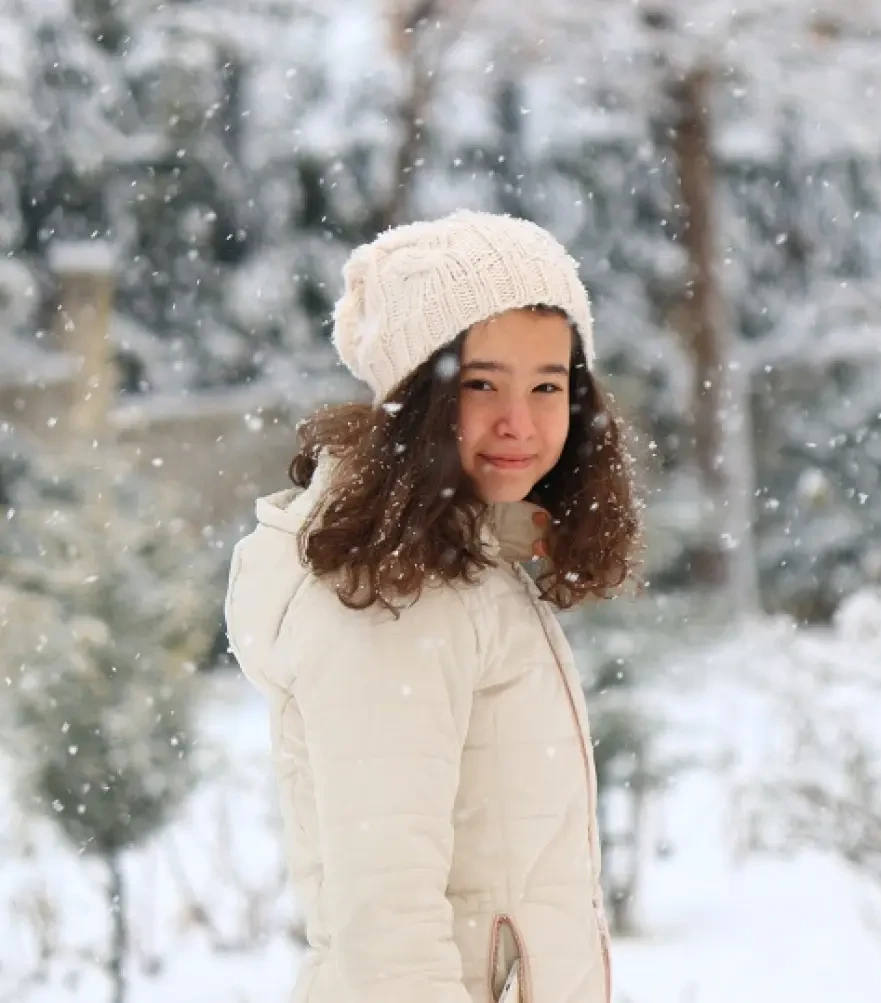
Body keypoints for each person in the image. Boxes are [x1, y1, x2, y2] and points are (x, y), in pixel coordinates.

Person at [223, 210, 641, 1003]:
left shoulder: (467, 561)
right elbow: (388, 917)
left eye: (548, 384)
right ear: (414, 398)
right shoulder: (393, 596)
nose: (519, 420)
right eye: (481, 383)